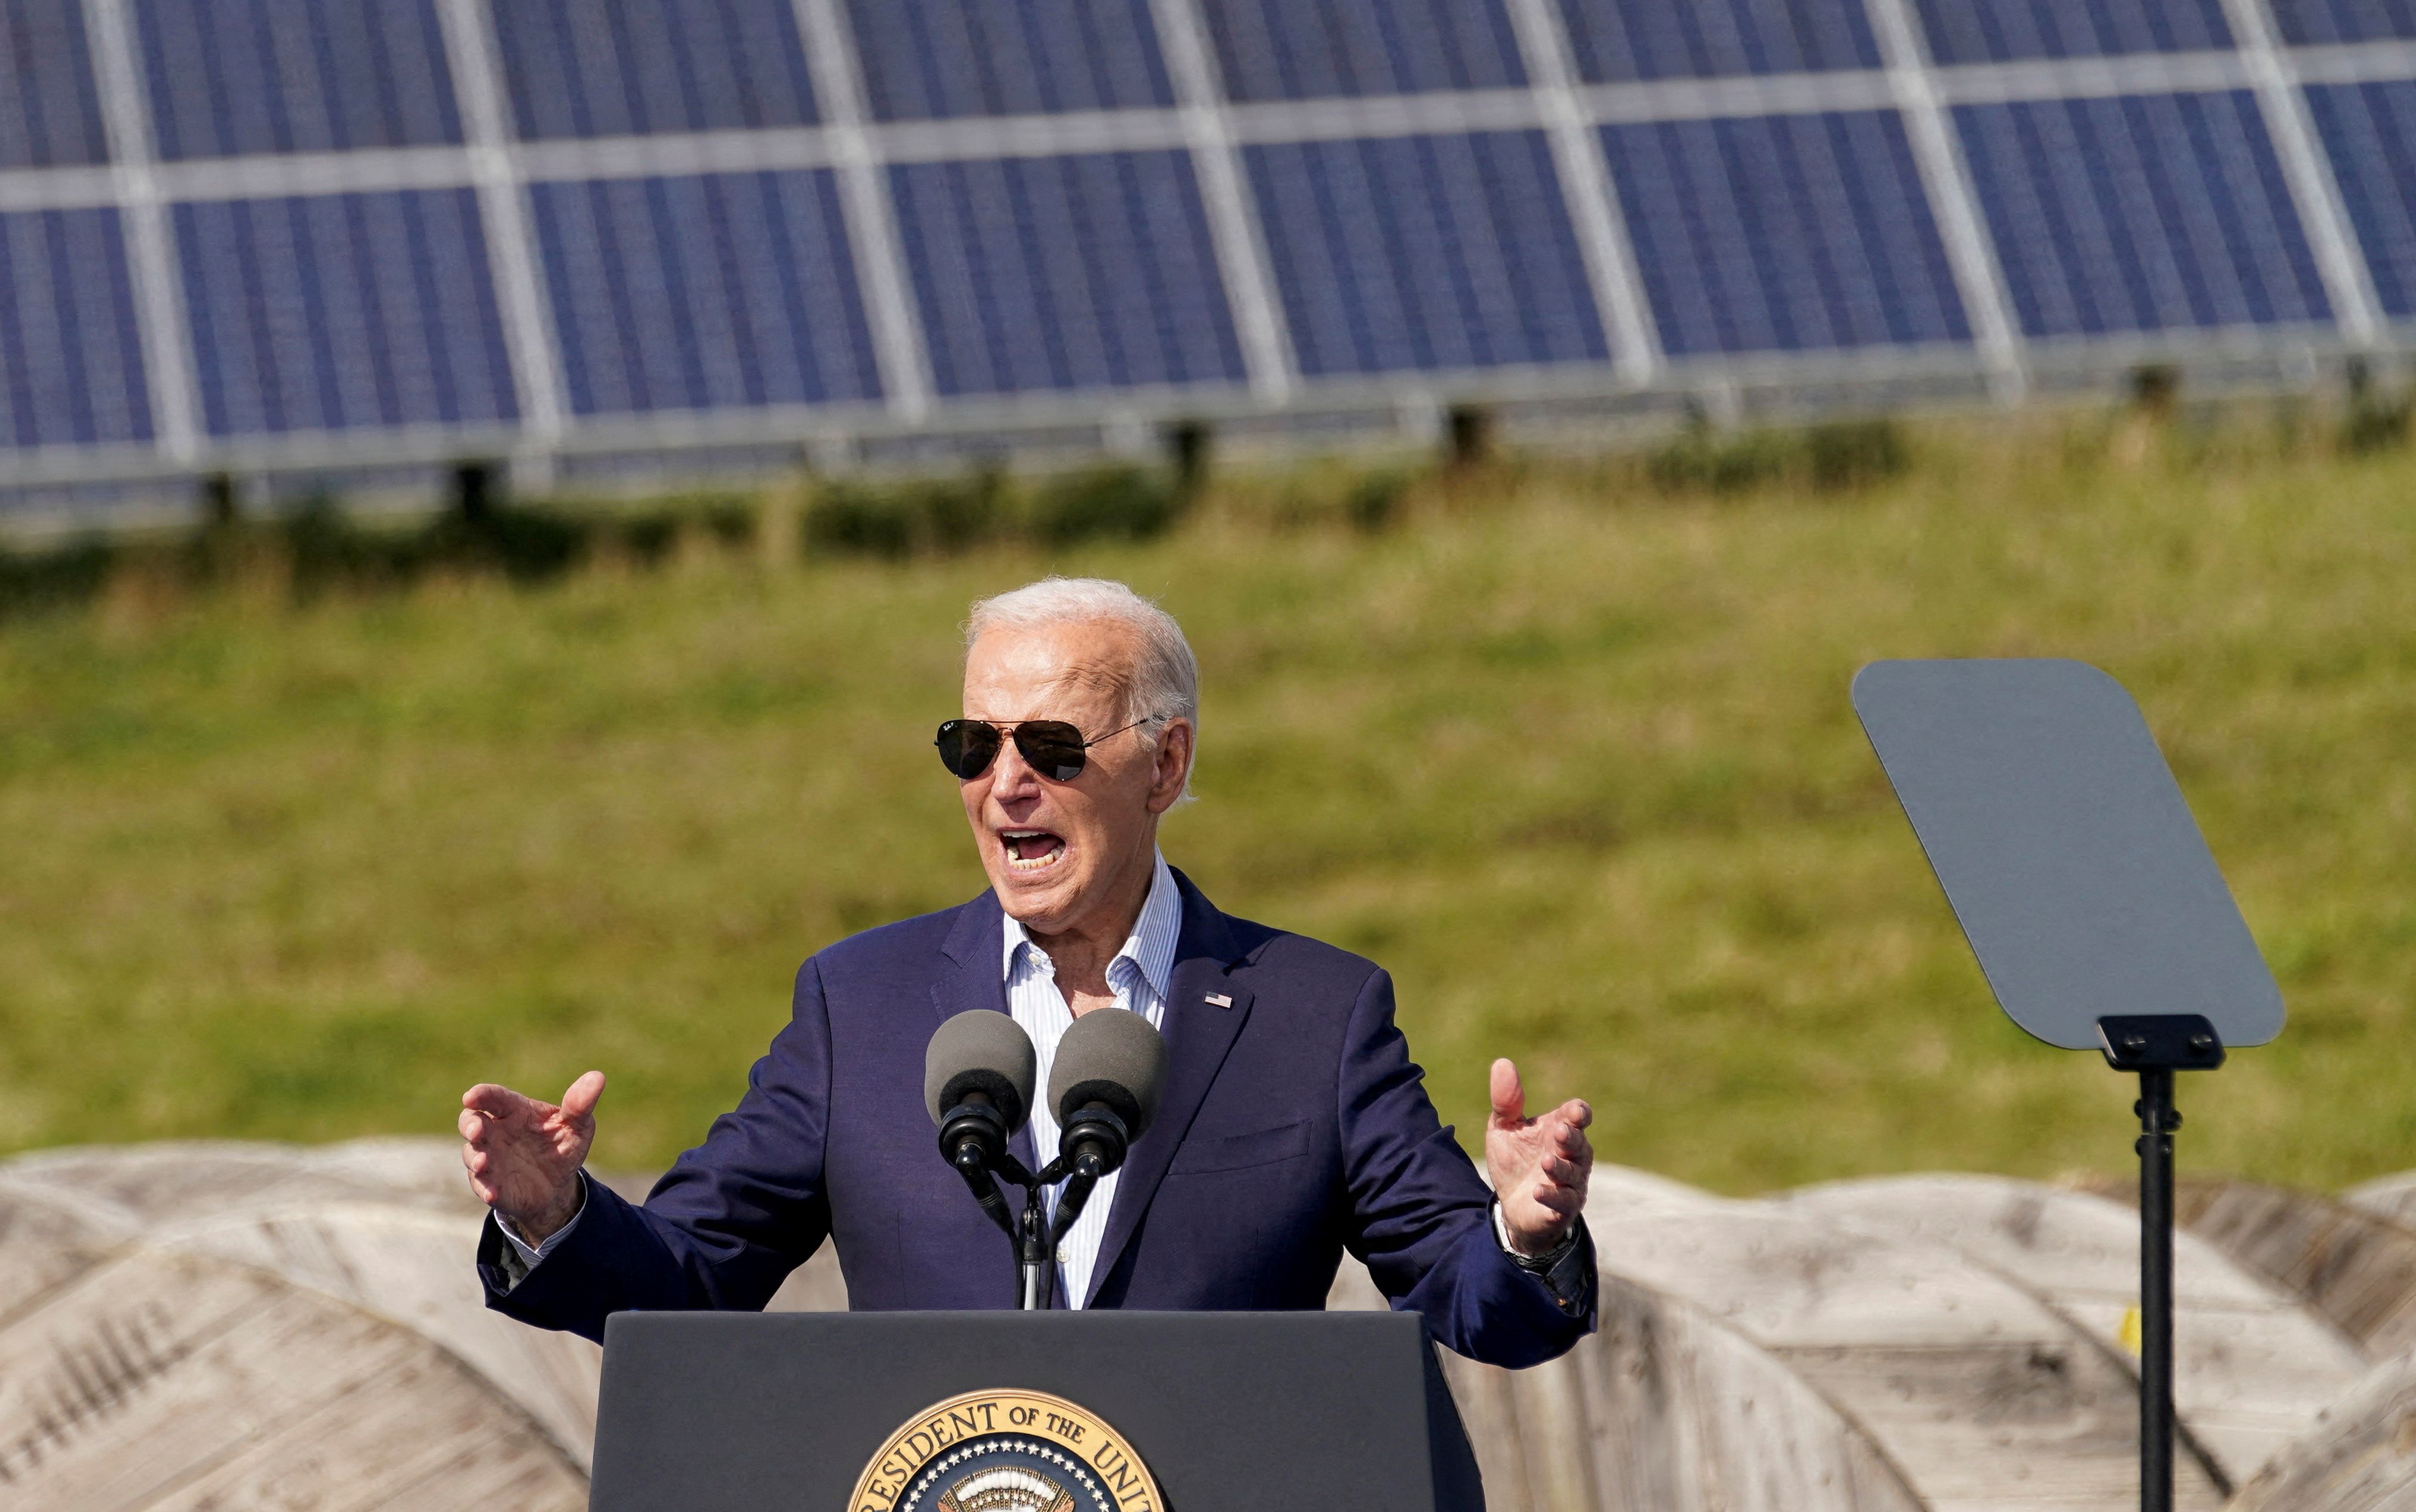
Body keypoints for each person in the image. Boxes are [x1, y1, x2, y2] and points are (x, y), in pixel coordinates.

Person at [462, 575, 1597, 1367]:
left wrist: (1526, 1232)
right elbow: (690, 1278)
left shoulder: (1311, 1013)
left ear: (1165, 762)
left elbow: (1476, 1302)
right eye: (975, 744)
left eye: (1052, 747)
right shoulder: (862, 1002)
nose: (1005, 782)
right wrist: (554, 1214)